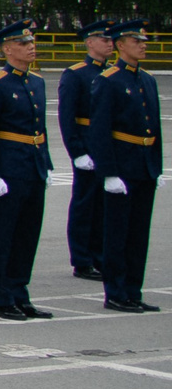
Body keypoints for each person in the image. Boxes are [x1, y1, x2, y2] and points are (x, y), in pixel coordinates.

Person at [0, 21, 54, 321]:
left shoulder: (36, 82)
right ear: (8, 49)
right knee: (2, 235)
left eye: (32, 42)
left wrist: (45, 164)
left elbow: (41, 128)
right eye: (24, 44)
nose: (31, 47)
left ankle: (20, 292)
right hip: (8, 169)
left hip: (32, 166)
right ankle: (2, 297)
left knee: (27, 235)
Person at [90, 20, 160, 313]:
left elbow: (154, 126)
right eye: (137, 41)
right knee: (117, 233)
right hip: (122, 165)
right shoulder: (109, 80)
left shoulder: (147, 80)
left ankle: (133, 289)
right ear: (120, 45)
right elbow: (100, 130)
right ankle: (116, 292)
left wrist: (156, 166)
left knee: (138, 233)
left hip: (143, 165)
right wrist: (108, 172)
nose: (143, 45)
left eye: (143, 40)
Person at [58, 18, 115, 282]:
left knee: (106, 205)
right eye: (104, 39)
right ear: (90, 42)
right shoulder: (77, 74)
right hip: (88, 145)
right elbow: (67, 117)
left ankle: (101, 256)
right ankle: (82, 259)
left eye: (111, 39)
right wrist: (77, 152)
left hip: (110, 146)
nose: (110, 43)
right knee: (86, 203)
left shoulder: (112, 73)